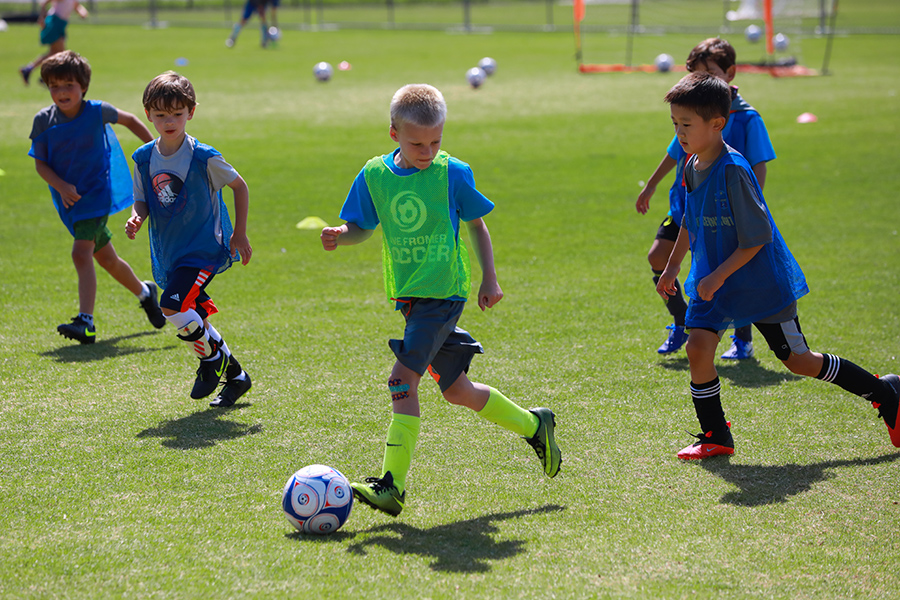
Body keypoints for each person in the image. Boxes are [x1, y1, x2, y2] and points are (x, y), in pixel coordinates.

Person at [320, 83, 562, 516]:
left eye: (436, 141)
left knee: (401, 382)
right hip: (411, 301)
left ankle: (392, 486)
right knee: (456, 391)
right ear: (393, 134)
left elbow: (477, 225)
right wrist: (342, 235)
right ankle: (534, 424)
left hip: (443, 295)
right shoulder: (374, 175)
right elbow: (363, 227)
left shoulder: (453, 173)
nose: (427, 151)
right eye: (417, 143)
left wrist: (490, 278)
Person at [656, 72, 900, 460]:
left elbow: (758, 239)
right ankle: (716, 435)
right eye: (675, 124)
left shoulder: (735, 171)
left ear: (717, 123)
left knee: (798, 361)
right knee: (699, 348)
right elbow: (688, 218)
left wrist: (718, 274)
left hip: (759, 284)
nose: (679, 133)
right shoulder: (690, 165)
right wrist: (671, 268)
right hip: (713, 284)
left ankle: (886, 393)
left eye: (686, 125)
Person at [637, 38, 776, 360]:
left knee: (728, 275)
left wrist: (750, 208)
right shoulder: (690, 115)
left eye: (708, 74)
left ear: (729, 73)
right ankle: (681, 322)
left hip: (725, 214)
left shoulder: (746, 118)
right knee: (659, 258)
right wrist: (651, 185)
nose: (699, 83)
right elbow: (674, 152)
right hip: (686, 207)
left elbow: (757, 166)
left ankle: (742, 338)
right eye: (694, 76)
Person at [126, 71, 253, 408]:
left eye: (177, 114)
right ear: (148, 114)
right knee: (193, 314)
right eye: (161, 115)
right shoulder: (142, 158)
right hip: (170, 252)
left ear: (191, 112)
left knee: (171, 305)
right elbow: (143, 199)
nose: (169, 121)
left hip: (203, 251)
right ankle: (237, 376)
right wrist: (137, 215)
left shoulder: (203, 156)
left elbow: (239, 186)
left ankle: (211, 361)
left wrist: (238, 233)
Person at [28, 50, 165, 345]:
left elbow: (128, 120)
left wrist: (156, 150)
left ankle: (86, 323)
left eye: (69, 85)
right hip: (70, 200)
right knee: (106, 259)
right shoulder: (43, 120)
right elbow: (40, 163)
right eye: (54, 86)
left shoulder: (97, 111)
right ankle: (145, 292)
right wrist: (61, 185)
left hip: (95, 194)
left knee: (80, 253)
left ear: (83, 86)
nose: (62, 92)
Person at [19, 0, 89, 85]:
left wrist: (83, 13)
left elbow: (77, 7)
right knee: (60, 53)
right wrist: (42, 16)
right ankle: (46, 74)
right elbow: (44, 3)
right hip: (54, 22)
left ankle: (31, 70)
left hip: (61, 23)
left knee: (56, 53)